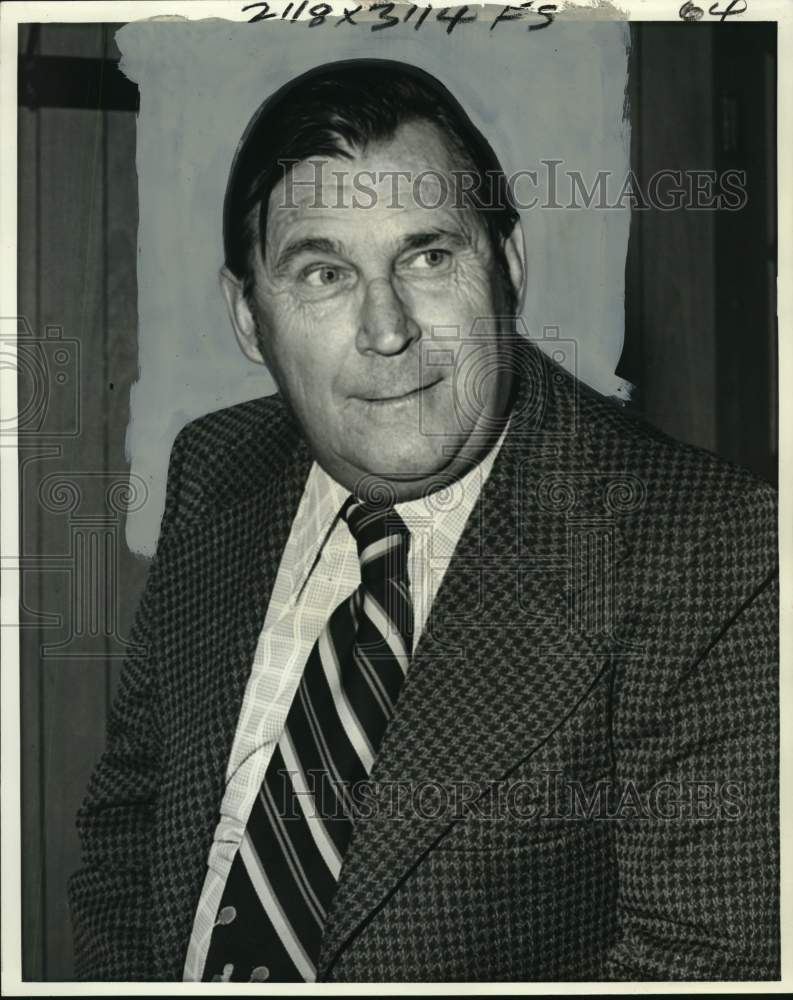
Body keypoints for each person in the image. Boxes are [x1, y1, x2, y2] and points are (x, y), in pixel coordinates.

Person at [68, 59, 779, 983]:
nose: (387, 328)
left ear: (507, 268)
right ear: (249, 318)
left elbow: (701, 968)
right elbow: (132, 823)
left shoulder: (711, 548)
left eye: (429, 256)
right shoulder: (218, 468)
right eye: (323, 272)